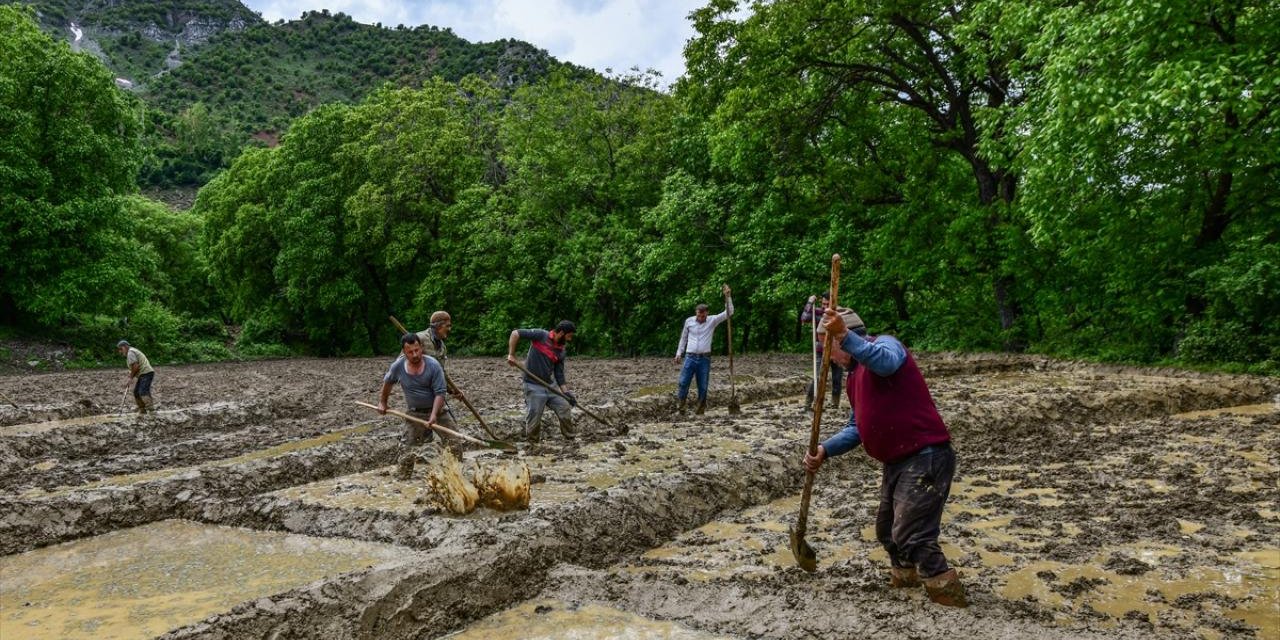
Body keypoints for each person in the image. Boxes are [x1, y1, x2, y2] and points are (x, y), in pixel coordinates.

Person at [802, 307, 967, 607]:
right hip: (897, 462)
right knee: (887, 531)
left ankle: (947, 597)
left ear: (841, 339)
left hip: (924, 455)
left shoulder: (886, 345)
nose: (824, 354)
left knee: (912, 533)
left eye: (824, 345)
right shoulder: (854, 377)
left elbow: (888, 364)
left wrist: (843, 334)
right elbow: (857, 426)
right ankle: (907, 585)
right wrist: (825, 449)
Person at [378, 333, 455, 478]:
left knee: (454, 442)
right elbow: (388, 382)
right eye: (410, 352)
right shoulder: (398, 366)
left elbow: (440, 392)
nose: (414, 354)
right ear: (404, 352)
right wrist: (383, 403)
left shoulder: (433, 365)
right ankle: (403, 477)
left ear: (421, 348)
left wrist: (433, 415)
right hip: (414, 413)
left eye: (417, 350)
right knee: (407, 449)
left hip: (438, 411)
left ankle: (455, 475)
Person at [507, 320, 579, 442]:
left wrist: (567, 393)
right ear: (561, 333)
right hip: (532, 385)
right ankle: (533, 443)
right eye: (569, 336)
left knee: (564, 407)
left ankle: (570, 438)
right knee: (534, 415)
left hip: (550, 386)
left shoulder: (561, 351)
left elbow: (559, 374)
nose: (569, 339)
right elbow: (515, 333)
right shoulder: (540, 335)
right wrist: (511, 355)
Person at [673, 284, 733, 415]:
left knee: (703, 386)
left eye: (703, 316)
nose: (701, 318)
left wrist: (728, 297)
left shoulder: (712, 320)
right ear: (696, 313)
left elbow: (729, 313)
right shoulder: (689, 322)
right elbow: (683, 338)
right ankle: (680, 408)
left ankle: (700, 410)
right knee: (683, 382)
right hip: (690, 357)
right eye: (699, 316)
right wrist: (679, 353)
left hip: (704, 358)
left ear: (707, 314)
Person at [800, 292, 846, 412]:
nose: (825, 306)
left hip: (836, 350)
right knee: (818, 377)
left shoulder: (839, 313)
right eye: (823, 303)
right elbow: (804, 318)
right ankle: (808, 404)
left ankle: (834, 404)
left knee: (837, 378)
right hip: (821, 350)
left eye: (827, 304)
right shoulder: (818, 312)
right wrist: (810, 302)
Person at [116, 340, 155, 415]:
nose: (120, 351)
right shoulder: (131, 352)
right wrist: (131, 375)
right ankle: (142, 410)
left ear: (125, 347)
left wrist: (131, 377)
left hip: (146, 373)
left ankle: (151, 411)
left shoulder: (130, 352)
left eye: (121, 349)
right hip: (143, 373)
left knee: (143, 391)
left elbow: (136, 366)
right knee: (136, 392)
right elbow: (134, 367)